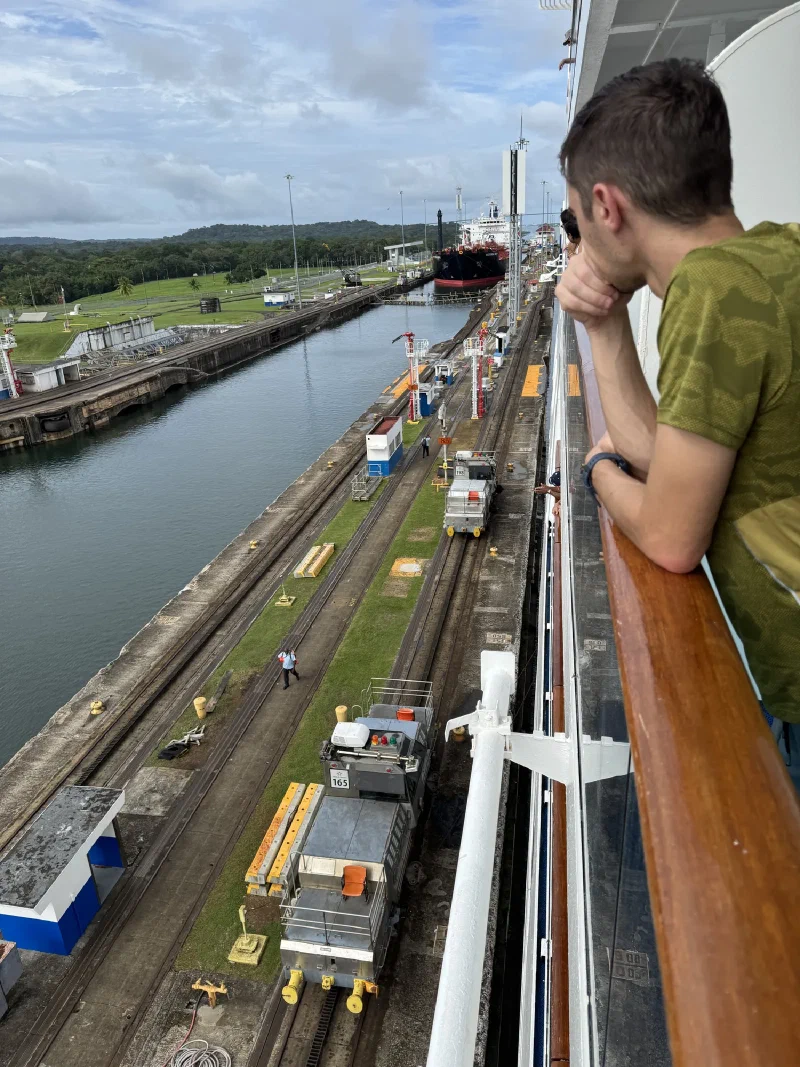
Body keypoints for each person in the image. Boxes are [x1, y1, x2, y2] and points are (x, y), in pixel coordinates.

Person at [555, 58, 800, 759]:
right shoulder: (777, 255)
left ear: (607, 208)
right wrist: (602, 325)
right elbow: (673, 459)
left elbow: (669, 536)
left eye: (577, 219)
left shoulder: (711, 293)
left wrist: (598, 469)